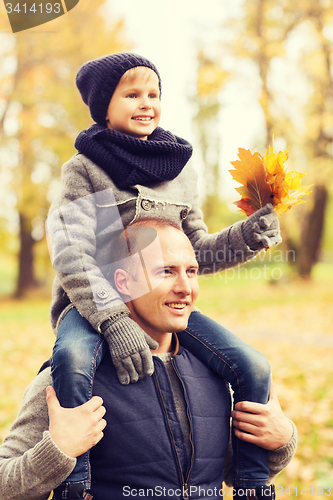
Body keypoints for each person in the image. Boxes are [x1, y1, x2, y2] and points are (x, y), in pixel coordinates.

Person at [46, 52, 282, 498]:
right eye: (132, 94)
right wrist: (113, 322)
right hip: (93, 306)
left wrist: (249, 234)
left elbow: (195, 253)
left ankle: (253, 485)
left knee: (253, 366)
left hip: (158, 304)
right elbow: (72, 253)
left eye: (154, 93)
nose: (146, 102)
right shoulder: (85, 171)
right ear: (104, 107)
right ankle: (75, 486)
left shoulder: (179, 173)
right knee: (73, 361)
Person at [0, 221, 296, 500]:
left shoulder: (216, 370)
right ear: (124, 282)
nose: (186, 288)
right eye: (166, 271)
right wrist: (57, 450)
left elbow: (230, 471)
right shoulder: (70, 379)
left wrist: (281, 440)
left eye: (191, 271)